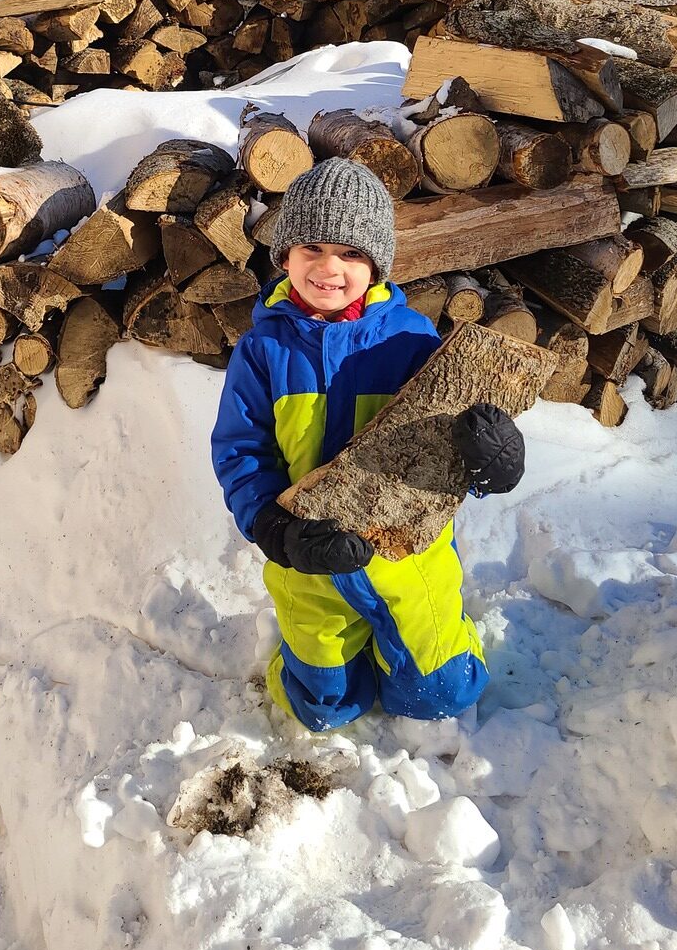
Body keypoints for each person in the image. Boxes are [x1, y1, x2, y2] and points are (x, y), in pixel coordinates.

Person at [211, 156, 524, 732]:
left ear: (377, 264)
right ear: (285, 255)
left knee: (442, 694)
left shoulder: (410, 341)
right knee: (324, 706)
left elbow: (453, 439)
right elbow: (241, 450)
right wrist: (274, 529)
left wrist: (493, 460)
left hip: (407, 558)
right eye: (313, 248)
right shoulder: (262, 351)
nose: (330, 267)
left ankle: (427, 646)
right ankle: (319, 666)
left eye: (351, 253)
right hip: (309, 560)